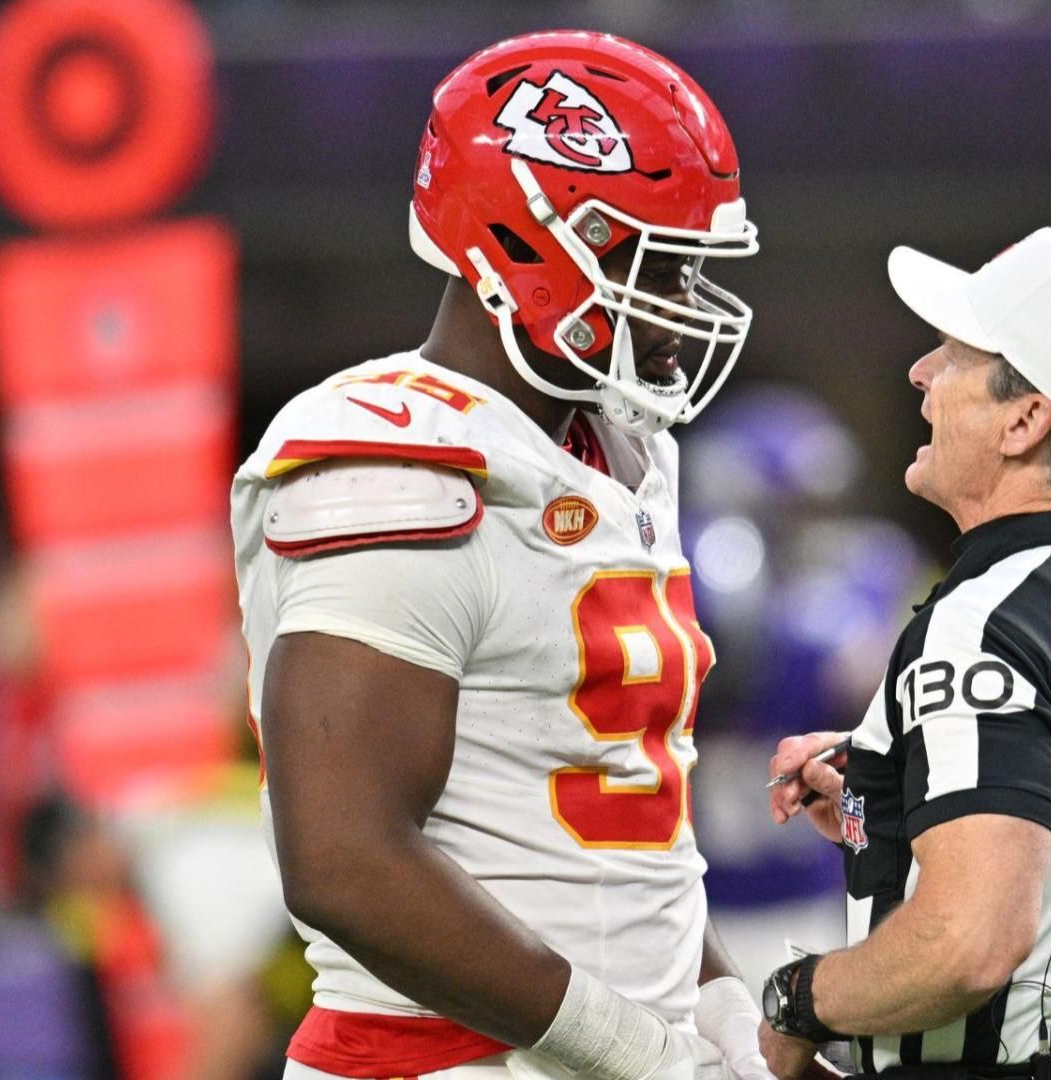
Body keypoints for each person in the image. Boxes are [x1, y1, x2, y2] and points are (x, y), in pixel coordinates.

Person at [230, 32, 769, 1080]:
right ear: (518, 243)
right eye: (644, 256)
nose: (680, 296)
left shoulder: (616, 444)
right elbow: (345, 861)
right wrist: (628, 1050)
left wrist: (721, 1016)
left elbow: (617, 821)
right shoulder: (391, 464)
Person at [760, 229, 1051, 1080]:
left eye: (953, 355)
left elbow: (971, 945)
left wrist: (798, 996)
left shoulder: (983, 622)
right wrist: (892, 811)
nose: (921, 375)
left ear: (1025, 419)